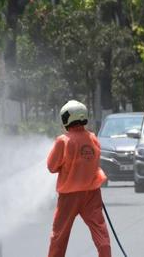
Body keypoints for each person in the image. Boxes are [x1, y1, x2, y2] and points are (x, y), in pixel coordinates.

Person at [47, 100, 111, 257]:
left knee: (59, 235)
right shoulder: (93, 138)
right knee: (100, 231)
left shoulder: (63, 141)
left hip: (69, 196)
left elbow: (51, 166)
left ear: (66, 118)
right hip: (92, 193)